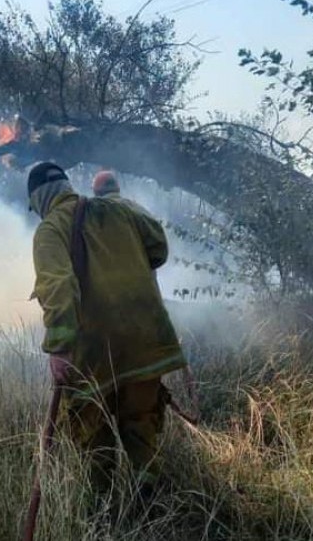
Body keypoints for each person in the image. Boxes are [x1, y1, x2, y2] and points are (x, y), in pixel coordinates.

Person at [28, 161, 188, 493]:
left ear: (40, 199)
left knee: (92, 433)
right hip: (146, 341)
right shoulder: (116, 209)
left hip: (95, 354)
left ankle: (103, 512)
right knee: (141, 424)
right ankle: (151, 502)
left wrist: (59, 348)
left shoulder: (50, 229)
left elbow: (57, 286)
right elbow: (157, 247)